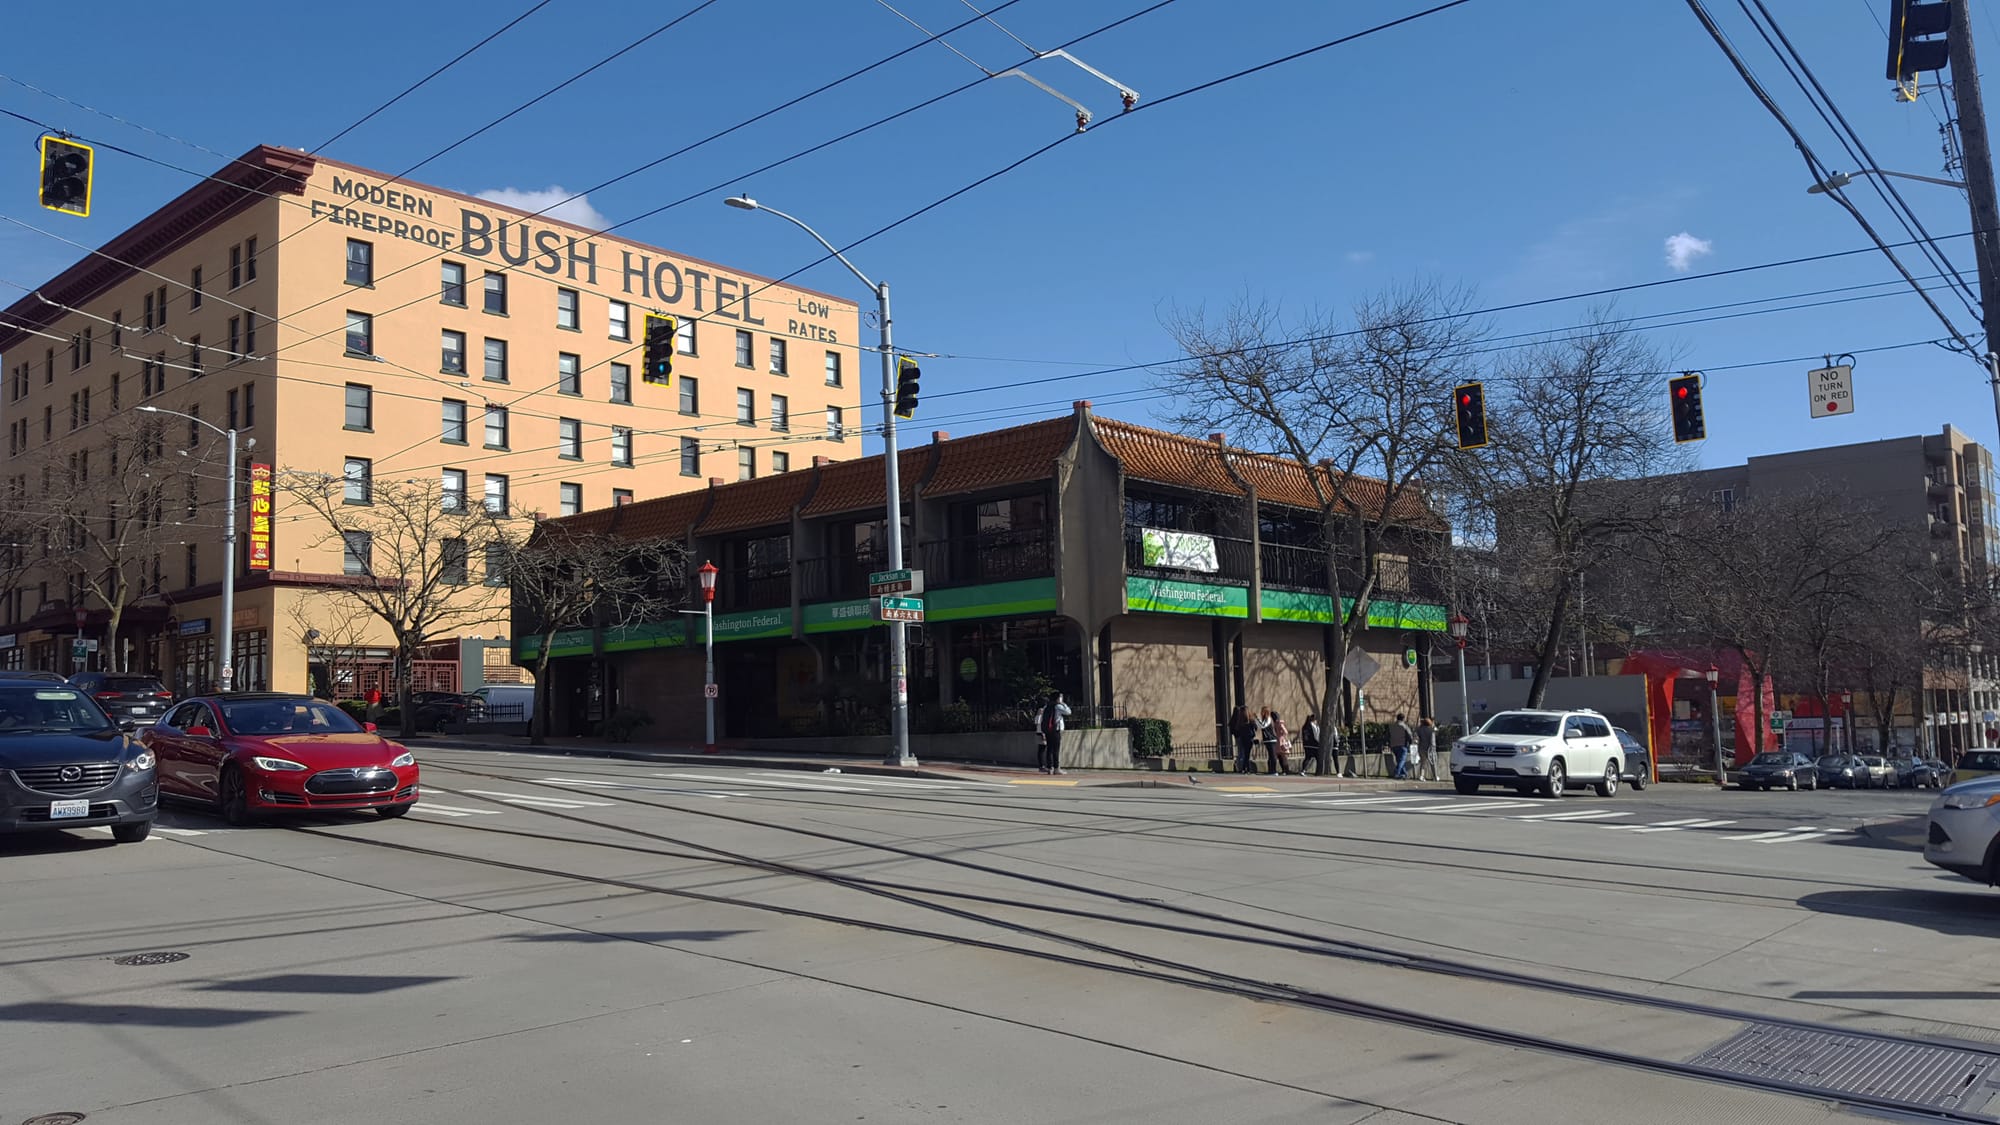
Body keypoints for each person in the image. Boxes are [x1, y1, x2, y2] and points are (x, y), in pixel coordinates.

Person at [1040, 692, 1071, 775]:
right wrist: (1063, 703)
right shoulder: (1058, 706)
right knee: (1056, 749)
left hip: (1048, 730)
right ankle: (1057, 768)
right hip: (1055, 729)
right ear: (1057, 698)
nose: (1061, 698)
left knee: (1049, 749)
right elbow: (1068, 712)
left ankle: (1050, 767)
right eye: (1060, 697)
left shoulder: (1047, 706)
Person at [1229, 705, 1257, 773]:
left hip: (1243, 738)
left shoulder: (1240, 721)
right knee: (1246, 754)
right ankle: (1246, 768)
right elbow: (1255, 727)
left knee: (1243, 753)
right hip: (1249, 738)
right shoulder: (1250, 720)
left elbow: (1236, 729)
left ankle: (1243, 767)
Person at [1267, 709, 1294, 775]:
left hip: (1278, 741)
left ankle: (1283, 770)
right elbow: (1285, 732)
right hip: (1281, 740)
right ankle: (1286, 770)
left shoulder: (1276, 723)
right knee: (1283, 756)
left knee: (1279, 756)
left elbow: (1282, 732)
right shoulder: (1279, 723)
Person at [1389, 712, 1414, 780]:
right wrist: (1411, 742)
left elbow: (1389, 735)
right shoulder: (1404, 726)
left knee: (1399, 760)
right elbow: (1409, 735)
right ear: (1403, 719)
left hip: (1394, 745)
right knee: (1402, 760)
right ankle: (1397, 773)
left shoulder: (1393, 726)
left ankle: (1404, 774)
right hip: (1402, 745)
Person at [1415, 715, 1439, 781]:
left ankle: (1422, 776)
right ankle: (1435, 776)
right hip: (1430, 748)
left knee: (1423, 763)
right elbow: (1436, 731)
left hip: (1421, 748)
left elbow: (1416, 735)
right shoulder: (1431, 729)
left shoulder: (1419, 729)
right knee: (1433, 762)